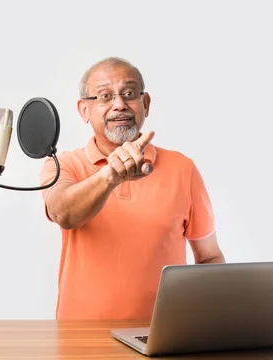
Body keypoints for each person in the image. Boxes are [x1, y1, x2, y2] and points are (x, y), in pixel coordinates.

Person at [39, 57, 225, 320]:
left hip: (163, 336)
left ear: (145, 104)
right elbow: (63, 214)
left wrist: (201, 319)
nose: (119, 105)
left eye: (129, 94)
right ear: (83, 110)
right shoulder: (63, 165)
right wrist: (110, 177)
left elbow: (210, 256)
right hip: (80, 339)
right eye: (105, 96)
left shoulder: (183, 168)